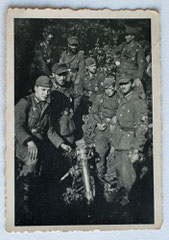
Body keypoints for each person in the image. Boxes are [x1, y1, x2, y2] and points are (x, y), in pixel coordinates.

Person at [15, 76, 71, 221]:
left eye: (48, 90)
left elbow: (49, 130)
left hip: (39, 143)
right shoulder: (25, 103)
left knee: (51, 164)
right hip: (23, 143)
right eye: (43, 90)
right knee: (32, 161)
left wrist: (61, 144)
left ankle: (39, 199)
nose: (46, 93)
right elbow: (17, 125)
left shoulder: (47, 106)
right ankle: (23, 201)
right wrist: (29, 141)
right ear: (35, 88)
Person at [112, 73, 148, 202]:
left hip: (130, 142)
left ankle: (134, 204)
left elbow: (142, 127)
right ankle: (123, 200)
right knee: (120, 174)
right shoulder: (122, 99)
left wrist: (137, 149)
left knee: (129, 178)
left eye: (126, 83)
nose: (123, 86)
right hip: (120, 141)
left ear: (132, 84)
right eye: (121, 84)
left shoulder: (137, 101)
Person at [89, 77, 119, 180]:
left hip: (116, 128)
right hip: (103, 127)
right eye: (106, 89)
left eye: (111, 88)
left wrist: (117, 118)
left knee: (114, 153)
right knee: (100, 150)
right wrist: (98, 123)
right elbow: (93, 112)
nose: (109, 91)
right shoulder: (99, 98)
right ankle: (100, 174)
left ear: (115, 87)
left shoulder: (120, 98)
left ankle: (111, 176)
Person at [114, 25, 146, 99]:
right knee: (120, 98)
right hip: (121, 75)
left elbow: (141, 65)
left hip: (131, 77)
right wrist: (116, 60)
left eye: (128, 36)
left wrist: (138, 78)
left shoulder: (138, 48)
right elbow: (113, 52)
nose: (125, 38)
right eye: (125, 36)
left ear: (133, 36)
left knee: (134, 99)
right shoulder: (123, 46)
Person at [50, 62, 76, 145]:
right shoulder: (48, 88)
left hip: (67, 126)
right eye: (59, 75)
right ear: (53, 74)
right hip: (53, 128)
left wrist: (72, 110)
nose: (62, 78)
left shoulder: (69, 86)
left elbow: (74, 98)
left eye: (64, 75)